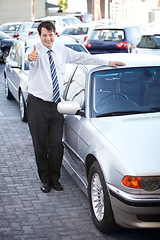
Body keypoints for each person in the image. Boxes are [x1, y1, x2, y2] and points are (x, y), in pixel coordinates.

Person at [25, 21, 125, 193]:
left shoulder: (62, 50)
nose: (48, 39)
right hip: (37, 105)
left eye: (50, 35)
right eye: (44, 35)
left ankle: (55, 178)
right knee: (40, 145)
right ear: (39, 35)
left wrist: (107, 61)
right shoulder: (34, 50)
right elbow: (30, 59)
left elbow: (84, 57)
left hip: (57, 105)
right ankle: (45, 179)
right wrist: (30, 57)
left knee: (56, 145)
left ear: (55, 34)